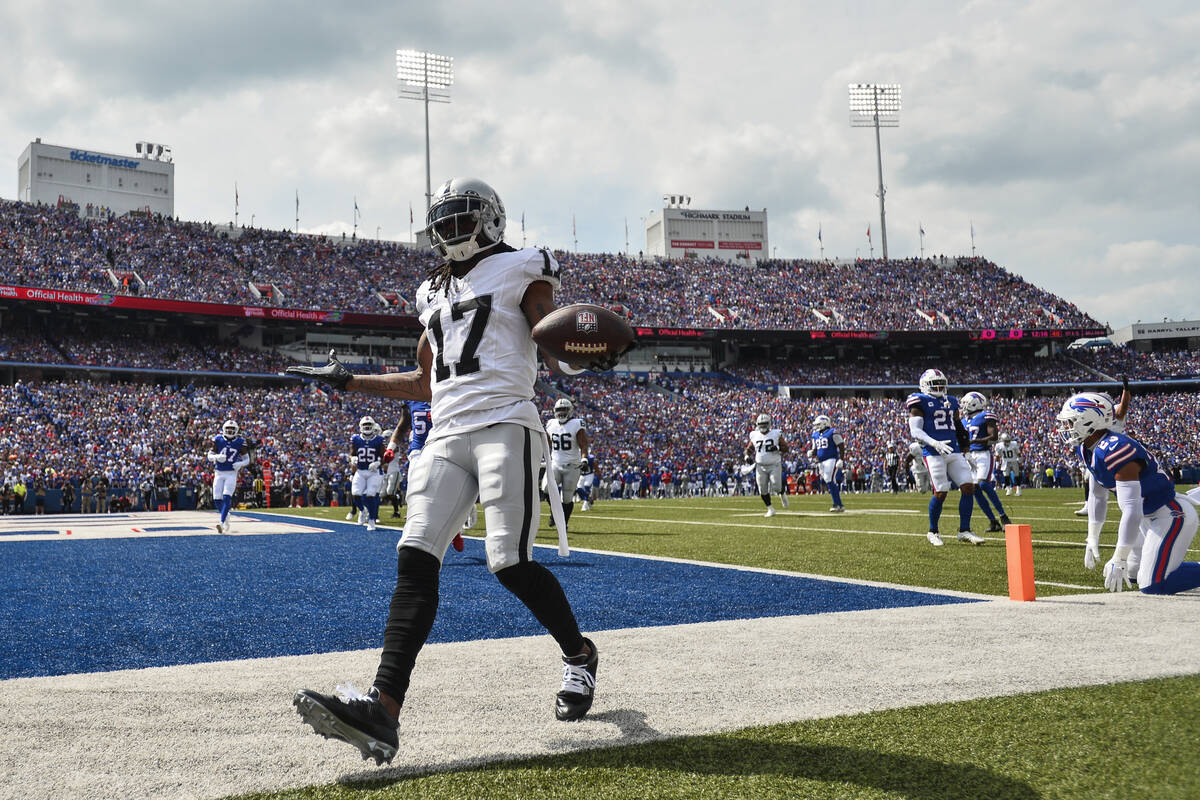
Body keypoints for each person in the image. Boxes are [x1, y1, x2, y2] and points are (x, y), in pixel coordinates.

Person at [285, 177, 624, 764]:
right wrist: (349, 381)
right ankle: (382, 711)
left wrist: (582, 358)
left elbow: (551, 341)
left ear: (491, 219)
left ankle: (579, 656)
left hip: (505, 421)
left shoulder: (523, 266)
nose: (449, 230)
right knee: (415, 556)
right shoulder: (433, 291)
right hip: (445, 433)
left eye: (460, 218)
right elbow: (423, 381)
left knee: (508, 562)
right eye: (442, 220)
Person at [1056, 392, 1199, 594]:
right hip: (1146, 517)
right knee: (1132, 574)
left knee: (1153, 584)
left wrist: (1119, 557)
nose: (1067, 427)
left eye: (1071, 421)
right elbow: (1097, 495)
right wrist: (1092, 537)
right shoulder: (1087, 447)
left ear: (1091, 420)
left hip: (1169, 513)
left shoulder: (1116, 448)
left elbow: (1132, 509)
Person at [906, 368, 984, 546]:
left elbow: (958, 427)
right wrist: (933, 443)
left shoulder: (951, 401)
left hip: (954, 450)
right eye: (936, 385)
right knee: (941, 492)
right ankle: (933, 531)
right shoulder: (920, 401)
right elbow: (915, 430)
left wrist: (966, 450)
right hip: (934, 452)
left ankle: (964, 530)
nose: (940, 388)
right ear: (925, 386)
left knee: (968, 487)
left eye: (942, 384)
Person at [1075, 379, 1132, 516]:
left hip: (1114, 450)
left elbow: (1122, 408)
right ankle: (1089, 505)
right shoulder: (1096, 414)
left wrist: (1125, 390)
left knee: (1117, 484)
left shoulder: (1114, 410)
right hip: (1099, 452)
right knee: (1091, 479)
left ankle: (1131, 505)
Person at [959, 391, 1012, 533]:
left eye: (966, 403)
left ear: (975, 403)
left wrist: (976, 441)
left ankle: (1003, 516)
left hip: (983, 454)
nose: (963, 406)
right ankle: (993, 522)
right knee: (974, 489)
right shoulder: (964, 420)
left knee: (983, 483)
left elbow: (993, 437)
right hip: (969, 456)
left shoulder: (985, 416)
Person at [544, 398, 590, 530]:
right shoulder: (550, 424)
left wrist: (584, 459)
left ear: (570, 410)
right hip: (555, 463)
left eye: (564, 409)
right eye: (559, 410)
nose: (561, 412)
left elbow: (583, 444)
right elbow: (547, 443)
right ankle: (555, 513)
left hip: (573, 465)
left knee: (567, 498)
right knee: (546, 488)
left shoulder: (577, 423)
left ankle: (563, 522)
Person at [207, 419, 249, 533]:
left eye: (232, 429)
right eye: (228, 429)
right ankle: (226, 516)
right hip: (219, 472)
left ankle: (221, 522)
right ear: (224, 429)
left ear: (236, 430)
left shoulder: (240, 441)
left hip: (231, 473)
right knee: (216, 499)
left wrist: (240, 463)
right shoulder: (218, 439)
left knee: (226, 497)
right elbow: (209, 455)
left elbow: (247, 459)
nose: (230, 431)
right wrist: (216, 457)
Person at [347, 416, 386, 532]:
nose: (367, 426)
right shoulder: (355, 439)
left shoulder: (379, 439)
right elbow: (352, 453)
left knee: (371, 494)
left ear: (373, 426)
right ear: (360, 426)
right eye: (365, 425)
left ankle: (372, 520)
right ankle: (363, 511)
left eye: (369, 424)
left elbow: (384, 456)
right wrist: (352, 458)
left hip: (374, 472)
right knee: (356, 494)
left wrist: (378, 462)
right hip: (360, 470)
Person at [747, 413, 789, 517]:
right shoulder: (755, 435)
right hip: (760, 466)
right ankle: (770, 509)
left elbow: (786, 448)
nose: (763, 426)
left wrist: (777, 448)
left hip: (774, 464)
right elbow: (749, 449)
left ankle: (782, 493)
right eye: (761, 424)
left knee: (776, 486)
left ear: (769, 423)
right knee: (762, 489)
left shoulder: (776, 434)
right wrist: (746, 457)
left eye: (765, 423)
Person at [807, 415, 845, 512]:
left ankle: (837, 504)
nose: (817, 426)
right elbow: (817, 449)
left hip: (831, 459)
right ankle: (839, 504)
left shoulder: (832, 432)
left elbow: (841, 445)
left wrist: (841, 459)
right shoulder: (815, 435)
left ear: (825, 423)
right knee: (829, 481)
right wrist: (812, 453)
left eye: (818, 424)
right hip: (821, 462)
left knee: (830, 480)